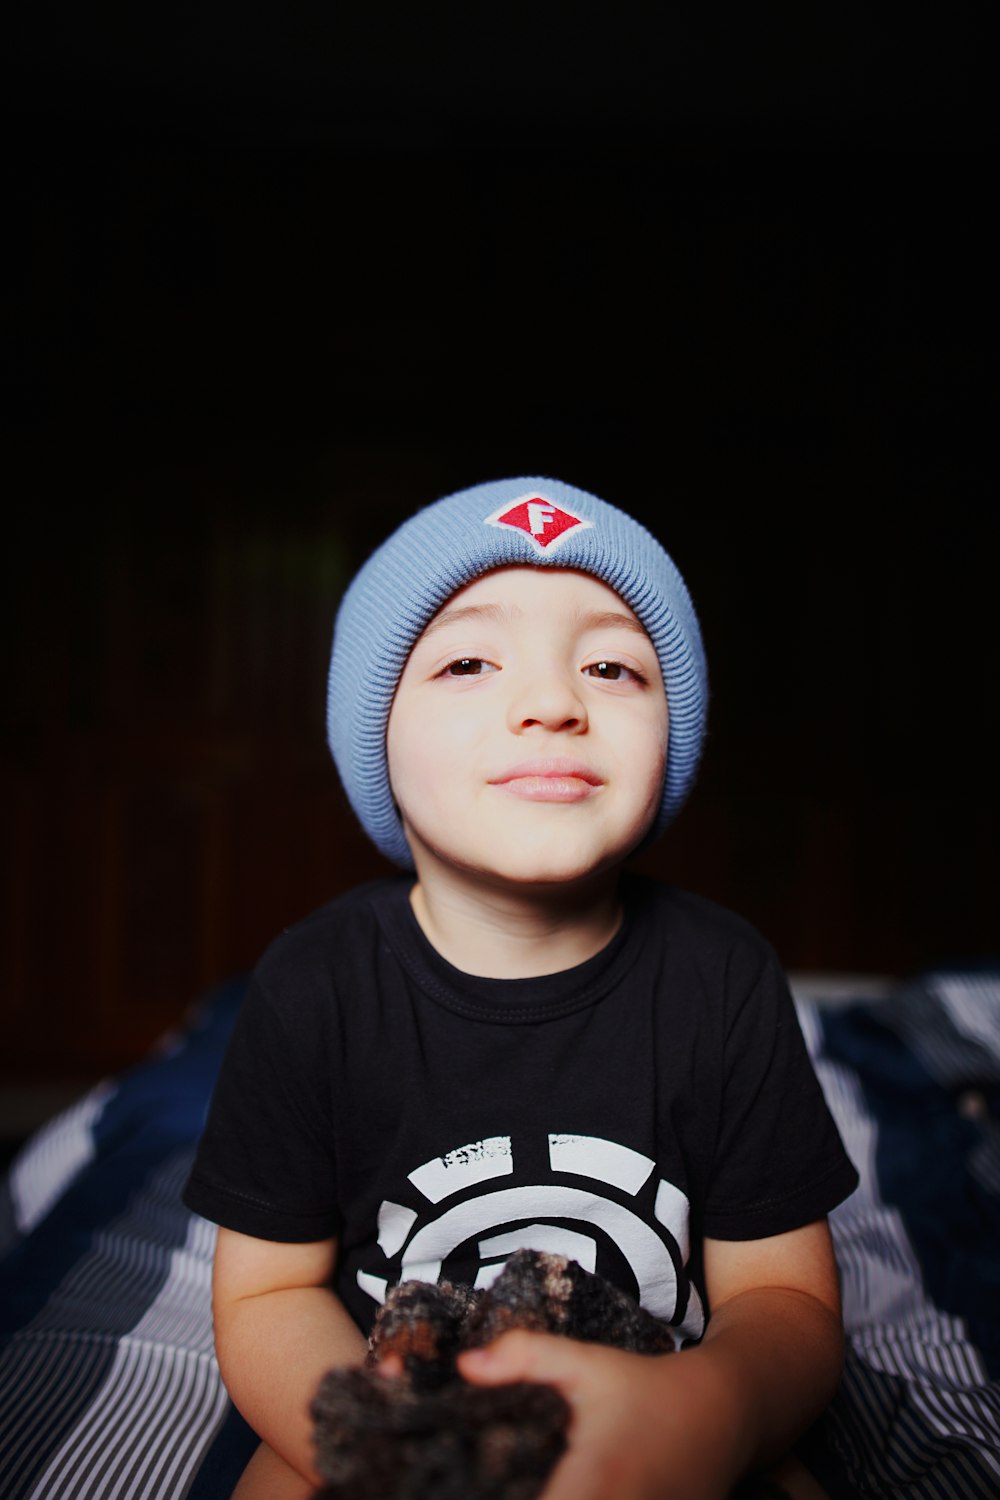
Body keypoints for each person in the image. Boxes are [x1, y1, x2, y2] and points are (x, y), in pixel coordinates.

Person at [183, 476, 858, 1500]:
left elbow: (782, 1298)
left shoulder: (720, 976)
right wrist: (383, 1445)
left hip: (654, 1397)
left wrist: (713, 1411)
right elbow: (269, 1290)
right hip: (400, 1403)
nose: (552, 702)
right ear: (375, 737)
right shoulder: (313, 986)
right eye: (466, 660)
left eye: (611, 666)